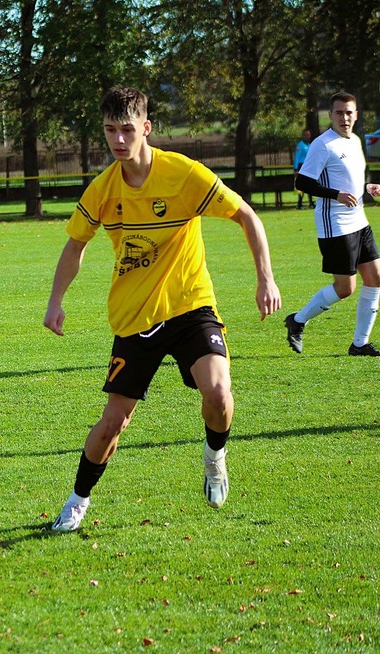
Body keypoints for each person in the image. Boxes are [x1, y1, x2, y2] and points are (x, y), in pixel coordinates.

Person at [43, 86, 281, 532]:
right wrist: (56, 302)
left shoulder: (183, 174)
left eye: (127, 129)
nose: (118, 140)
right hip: (134, 319)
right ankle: (77, 502)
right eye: (110, 130)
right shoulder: (102, 190)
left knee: (218, 393)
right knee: (113, 422)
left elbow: (247, 215)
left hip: (191, 306)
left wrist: (265, 278)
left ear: (146, 128)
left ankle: (215, 456)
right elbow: (75, 246)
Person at [288, 92, 380, 356]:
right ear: (330, 115)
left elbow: (347, 178)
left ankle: (359, 343)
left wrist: (367, 187)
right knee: (345, 288)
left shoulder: (355, 141)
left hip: (360, 221)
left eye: (349, 112)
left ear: (356, 115)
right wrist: (335, 195)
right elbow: (302, 183)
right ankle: (297, 320)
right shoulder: (322, 144)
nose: (344, 117)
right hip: (335, 224)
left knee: (375, 278)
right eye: (339, 113)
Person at [294, 129, 315, 210]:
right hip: (301, 166)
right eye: (306, 135)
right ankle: (299, 204)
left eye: (308, 135)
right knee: (301, 186)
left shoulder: (309, 145)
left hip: (308, 166)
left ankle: (311, 203)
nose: (307, 136)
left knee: (310, 184)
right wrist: (295, 169)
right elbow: (297, 157)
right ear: (303, 136)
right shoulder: (300, 145)